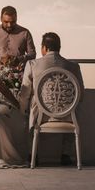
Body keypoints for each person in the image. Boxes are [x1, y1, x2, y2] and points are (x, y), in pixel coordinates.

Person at [18, 32, 85, 166]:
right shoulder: (73, 66)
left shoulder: (32, 64)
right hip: (67, 115)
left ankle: (33, 154)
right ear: (59, 47)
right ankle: (65, 155)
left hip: (41, 116)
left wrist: (22, 110)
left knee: (29, 109)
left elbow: (25, 92)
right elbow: (81, 94)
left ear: (44, 48)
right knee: (74, 108)